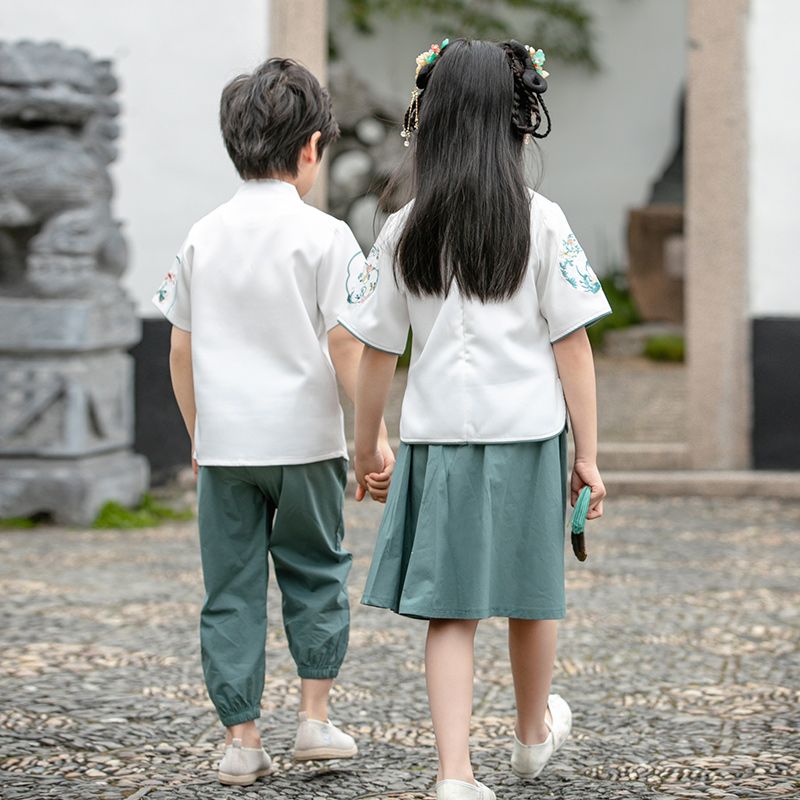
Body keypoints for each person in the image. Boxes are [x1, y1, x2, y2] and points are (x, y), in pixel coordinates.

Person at [339, 38, 611, 800]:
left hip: (436, 440)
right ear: (514, 121)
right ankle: (530, 737)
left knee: (450, 614)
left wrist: (367, 446)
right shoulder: (543, 220)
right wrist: (588, 454)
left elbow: (376, 354)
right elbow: (575, 347)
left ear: (433, 121)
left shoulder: (401, 229)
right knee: (532, 594)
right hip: (527, 436)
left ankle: (454, 775)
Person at [153, 57, 394, 787]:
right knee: (316, 573)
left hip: (226, 448)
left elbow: (179, 348)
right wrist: (369, 438)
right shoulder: (325, 237)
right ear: (313, 148)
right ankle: (315, 719)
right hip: (306, 444)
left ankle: (241, 739)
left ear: (235, 144)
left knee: (228, 588)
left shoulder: (202, 235)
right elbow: (348, 340)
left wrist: (200, 434)